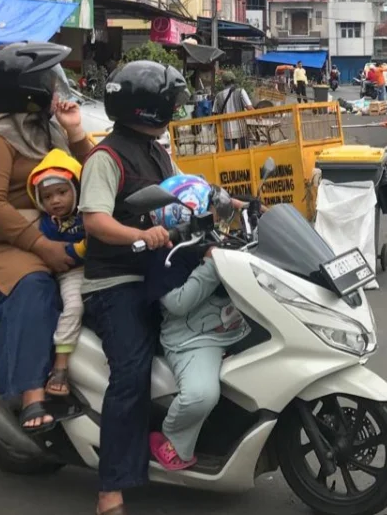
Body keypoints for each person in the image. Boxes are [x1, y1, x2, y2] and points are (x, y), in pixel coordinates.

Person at [0, 43, 91, 432]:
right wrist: (42, 247)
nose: (56, 85)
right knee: (34, 284)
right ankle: (30, 396)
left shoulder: (48, 129)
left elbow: (92, 171)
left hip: (56, 227)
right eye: (48, 79)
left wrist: (76, 132)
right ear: (26, 88)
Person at [79, 59, 187, 515]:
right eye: (169, 104)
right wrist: (141, 236)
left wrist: (230, 202)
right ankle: (111, 488)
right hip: (115, 282)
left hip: (158, 271)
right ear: (148, 108)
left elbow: (185, 191)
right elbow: (96, 222)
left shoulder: (158, 150)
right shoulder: (106, 158)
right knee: (133, 371)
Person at [145, 176, 248, 471]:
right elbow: (178, 304)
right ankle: (172, 441)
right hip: (193, 337)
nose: (218, 215)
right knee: (201, 395)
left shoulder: (208, 238)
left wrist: (253, 211)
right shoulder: (165, 257)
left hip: (231, 325)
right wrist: (213, 266)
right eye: (211, 210)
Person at [26, 148, 88, 397]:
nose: (55, 201)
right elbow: (60, 254)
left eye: (62, 192)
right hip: (72, 272)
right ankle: (60, 366)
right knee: (74, 307)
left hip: (101, 268)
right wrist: (82, 248)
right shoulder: (48, 225)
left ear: (76, 189)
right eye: (48, 196)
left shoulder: (89, 212)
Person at [212, 71, 251, 151]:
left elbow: (214, 114)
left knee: (228, 157)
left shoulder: (218, 96)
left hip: (226, 132)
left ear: (223, 82)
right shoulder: (240, 91)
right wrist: (259, 116)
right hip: (241, 130)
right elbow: (249, 107)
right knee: (245, 154)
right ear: (233, 80)